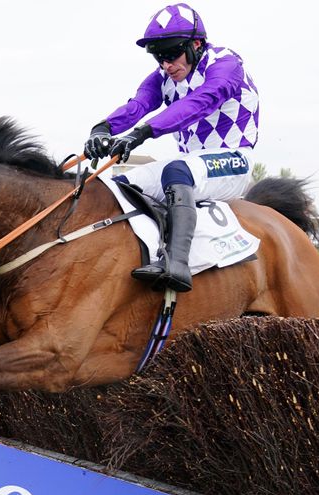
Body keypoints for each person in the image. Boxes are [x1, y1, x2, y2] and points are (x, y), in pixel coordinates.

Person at [83, 3, 259, 292]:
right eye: (159, 57)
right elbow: (138, 105)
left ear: (196, 44)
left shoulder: (226, 64)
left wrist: (142, 133)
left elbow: (198, 104)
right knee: (117, 184)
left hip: (234, 161)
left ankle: (177, 264)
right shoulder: (164, 77)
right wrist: (102, 128)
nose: (166, 64)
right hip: (191, 164)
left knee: (177, 169)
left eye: (171, 54)